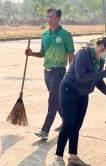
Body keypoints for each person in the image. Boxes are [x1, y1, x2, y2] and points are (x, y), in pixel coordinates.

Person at [53, 35, 106, 166]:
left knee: (77, 125)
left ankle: (73, 157)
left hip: (83, 93)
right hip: (69, 90)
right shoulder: (83, 53)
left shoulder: (99, 59)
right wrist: (101, 74)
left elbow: (98, 81)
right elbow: (80, 76)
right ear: (101, 46)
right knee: (68, 124)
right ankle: (58, 159)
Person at [25, 8, 75, 140]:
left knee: (52, 101)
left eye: (52, 17)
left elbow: (71, 57)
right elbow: (43, 53)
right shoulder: (45, 35)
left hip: (59, 72)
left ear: (59, 18)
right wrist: (32, 54)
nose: (49, 19)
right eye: (47, 17)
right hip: (47, 73)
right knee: (57, 100)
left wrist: (72, 75)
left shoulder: (66, 35)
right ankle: (68, 122)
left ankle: (45, 131)